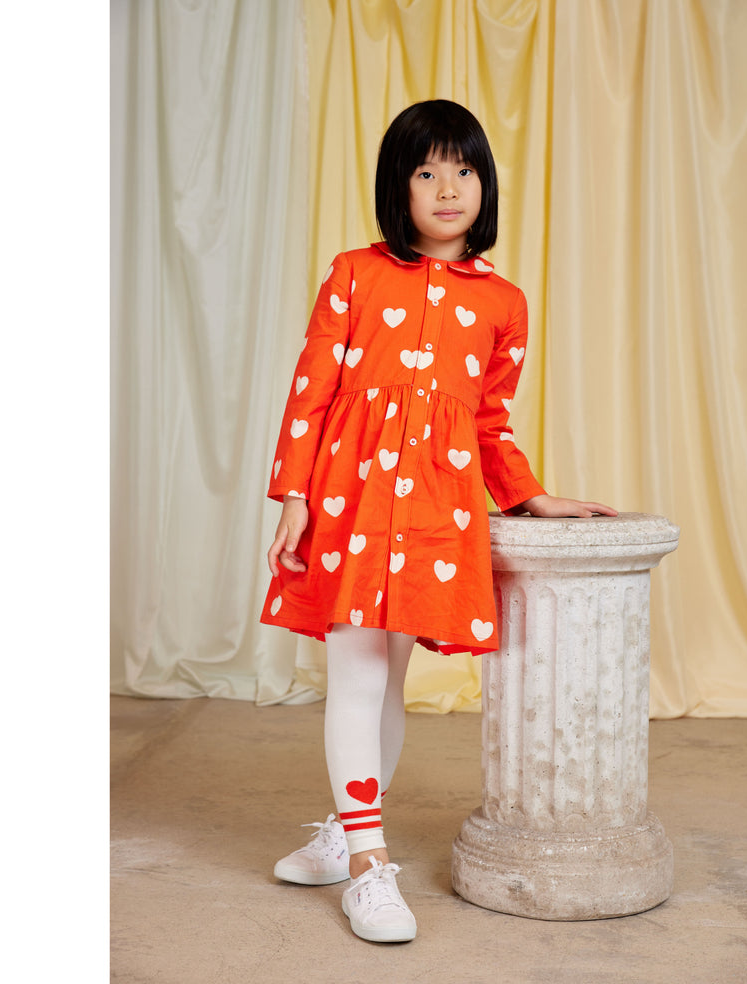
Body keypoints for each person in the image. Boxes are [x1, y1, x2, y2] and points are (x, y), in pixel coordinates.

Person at [261, 99, 616, 943]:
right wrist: (296, 496)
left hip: (431, 513)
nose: (448, 188)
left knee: (388, 678)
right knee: (355, 673)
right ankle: (366, 865)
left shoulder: (503, 303)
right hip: (350, 503)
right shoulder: (354, 275)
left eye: (464, 171)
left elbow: (490, 423)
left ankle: (346, 830)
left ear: (484, 184)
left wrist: (528, 494)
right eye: (427, 172)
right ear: (400, 186)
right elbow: (311, 392)